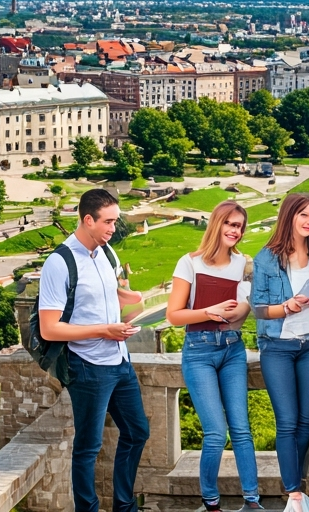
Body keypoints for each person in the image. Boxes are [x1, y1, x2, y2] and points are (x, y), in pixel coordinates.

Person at [38, 188, 150, 512]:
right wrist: (104, 330)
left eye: (115, 221)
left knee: (137, 431)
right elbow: (50, 328)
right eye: (108, 222)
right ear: (88, 220)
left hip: (119, 360)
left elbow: (112, 296)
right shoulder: (59, 263)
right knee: (89, 447)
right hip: (86, 366)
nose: (113, 229)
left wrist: (129, 298)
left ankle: (124, 505)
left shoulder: (107, 254)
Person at [166, 200, 264, 512]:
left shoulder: (245, 265)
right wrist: (210, 311)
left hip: (232, 348)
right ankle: (211, 501)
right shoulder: (190, 263)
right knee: (215, 432)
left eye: (239, 226)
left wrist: (242, 310)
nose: (235, 230)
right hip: (199, 351)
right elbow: (173, 316)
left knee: (241, 429)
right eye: (230, 224)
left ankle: (252, 501)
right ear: (217, 224)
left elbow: (241, 316)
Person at [250, 192, 309, 504]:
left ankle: (296, 485)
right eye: (304, 215)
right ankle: (294, 493)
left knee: (305, 419)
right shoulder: (266, 258)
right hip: (278, 347)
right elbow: (258, 309)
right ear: (289, 216)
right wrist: (286, 307)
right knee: (287, 421)